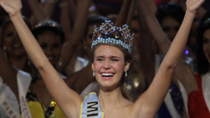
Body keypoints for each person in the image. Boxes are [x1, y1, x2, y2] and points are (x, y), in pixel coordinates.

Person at [0, 0, 204, 117]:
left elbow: (168, 64)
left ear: (126, 65)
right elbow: (43, 65)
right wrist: (17, 16)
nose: (106, 65)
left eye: (114, 59)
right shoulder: (78, 108)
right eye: (100, 59)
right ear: (92, 66)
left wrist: (189, 14)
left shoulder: (139, 111)